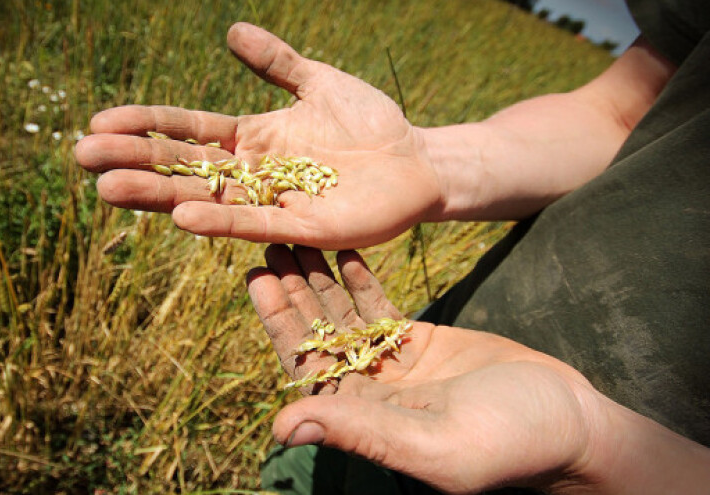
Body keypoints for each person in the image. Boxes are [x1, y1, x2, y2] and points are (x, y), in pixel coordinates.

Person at [75, 0, 710, 491]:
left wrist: (595, 449)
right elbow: (624, 114)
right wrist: (430, 161)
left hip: (572, 447)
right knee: (305, 472)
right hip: (423, 350)